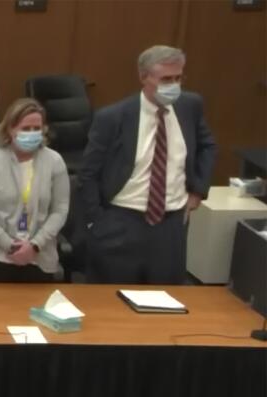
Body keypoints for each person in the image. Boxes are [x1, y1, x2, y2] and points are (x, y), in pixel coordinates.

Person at [77, 45, 217, 285]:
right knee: (111, 306)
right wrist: (96, 222)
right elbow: (88, 173)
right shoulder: (113, 117)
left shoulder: (190, 106)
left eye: (178, 78)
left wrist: (198, 191)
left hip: (170, 225)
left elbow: (208, 146)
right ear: (144, 77)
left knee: (165, 304)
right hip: (121, 223)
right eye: (165, 79)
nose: (174, 86)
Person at [0, 98, 70, 282]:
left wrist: (35, 246)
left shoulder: (55, 161)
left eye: (36, 128)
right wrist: (10, 245)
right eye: (25, 128)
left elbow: (60, 210)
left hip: (38, 257)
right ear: (10, 129)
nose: (32, 133)